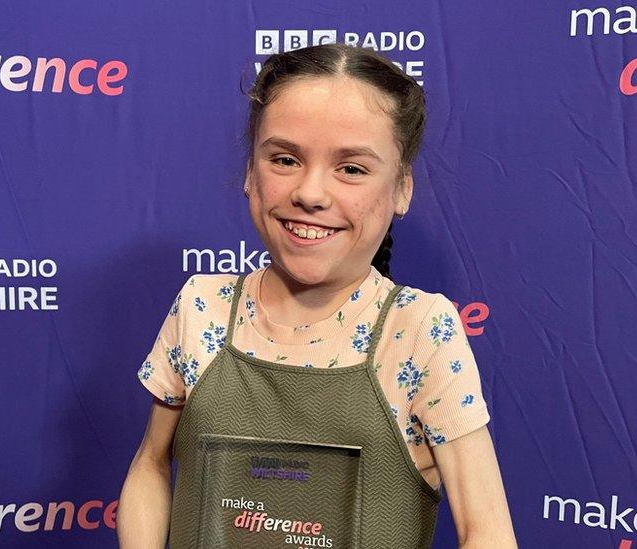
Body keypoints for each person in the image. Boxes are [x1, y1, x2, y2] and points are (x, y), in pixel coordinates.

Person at [118, 43, 516, 548]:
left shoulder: (420, 330)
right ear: (249, 172)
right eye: (284, 159)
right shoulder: (202, 305)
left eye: (351, 168)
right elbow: (151, 465)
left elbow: (488, 532)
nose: (310, 193)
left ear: (401, 189)